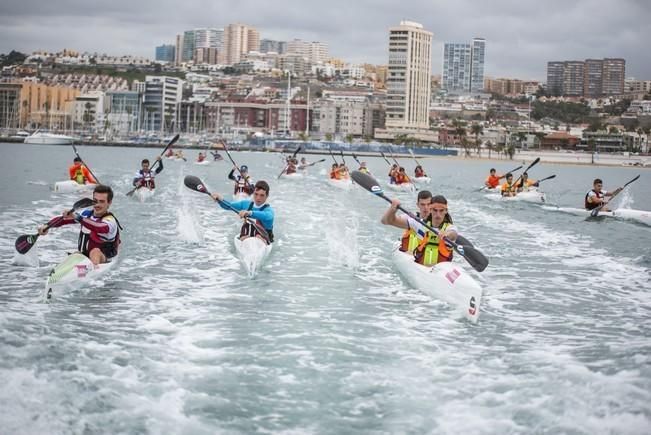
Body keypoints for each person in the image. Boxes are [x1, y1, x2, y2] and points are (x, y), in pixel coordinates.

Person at [37, 185, 121, 265]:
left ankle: (91, 275)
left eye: (101, 202)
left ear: (109, 203)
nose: (97, 205)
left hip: (104, 259)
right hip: (85, 255)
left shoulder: (110, 221)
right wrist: (48, 225)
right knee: (76, 255)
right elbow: (64, 220)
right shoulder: (86, 214)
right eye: (95, 201)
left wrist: (78, 218)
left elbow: (98, 227)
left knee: (95, 252)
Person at [382, 194, 456, 266]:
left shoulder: (450, 228)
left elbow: (453, 234)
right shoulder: (420, 225)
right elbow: (389, 221)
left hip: (441, 272)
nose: (438, 214)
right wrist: (392, 209)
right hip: (421, 269)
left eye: (441, 210)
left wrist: (446, 235)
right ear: (430, 210)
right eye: (435, 210)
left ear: (446, 211)